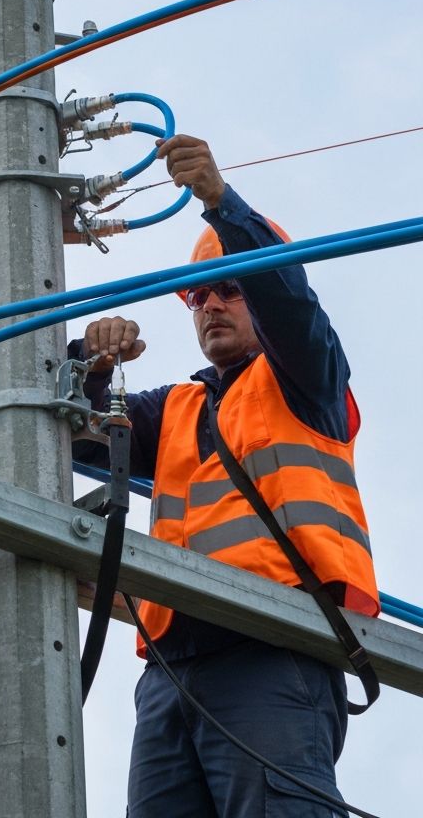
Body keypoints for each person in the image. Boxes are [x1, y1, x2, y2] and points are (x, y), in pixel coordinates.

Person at [72, 136, 379, 817]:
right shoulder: (176, 406)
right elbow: (79, 441)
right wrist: (90, 366)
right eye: (198, 296)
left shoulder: (306, 379)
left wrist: (222, 205)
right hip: (170, 669)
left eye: (230, 290)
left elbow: (292, 304)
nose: (210, 305)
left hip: (273, 642)